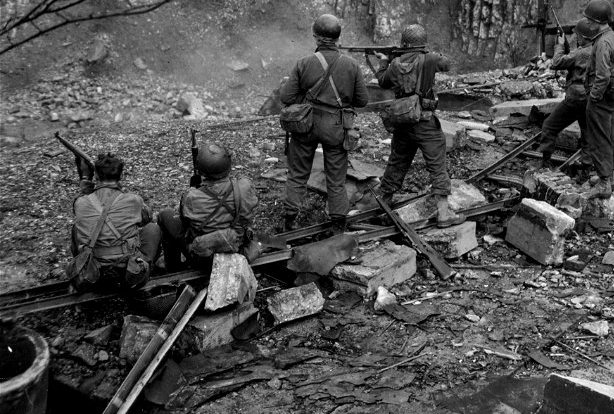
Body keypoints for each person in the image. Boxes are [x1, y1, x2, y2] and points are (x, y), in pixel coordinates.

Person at [276, 14, 369, 231]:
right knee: (336, 179)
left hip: (305, 125)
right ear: (338, 37)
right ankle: (338, 226)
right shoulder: (352, 65)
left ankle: (290, 222)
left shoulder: (304, 63)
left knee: (298, 174)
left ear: (316, 37)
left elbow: (286, 97)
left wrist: (307, 100)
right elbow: (362, 101)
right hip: (336, 127)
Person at [371, 23, 464, 228]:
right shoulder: (429, 59)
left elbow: (383, 82)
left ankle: (383, 204)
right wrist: (430, 55)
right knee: (437, 166)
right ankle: (444, 214)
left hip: (403, 121)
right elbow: (447, 64)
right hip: (425, 122)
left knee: (397, 162)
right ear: (421, 44)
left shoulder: (395, 65)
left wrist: (384, 61)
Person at [68, 152, 161, 292]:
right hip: (128, 273)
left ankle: (81, 270)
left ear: (96, 177)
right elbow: (147, 218)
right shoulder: (133, 200)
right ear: (120, 176)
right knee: (153, 229)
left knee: (76, 228)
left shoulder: (81, 203)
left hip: (94, 275)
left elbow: (82, 206)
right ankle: (147, 269)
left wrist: (85, 180)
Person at [158, 141, 258, 270]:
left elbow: (185, 222)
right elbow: (249, 214)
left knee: (165, 215)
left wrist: (196, 188)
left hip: (204, 257)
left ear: (201, 170)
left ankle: (172, 267)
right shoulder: (244, 186)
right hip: (237, 248)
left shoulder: (191, 196)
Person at [581, 0, 614, 197]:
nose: (588, 23)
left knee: (598, 138)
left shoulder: (602, 42)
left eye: (589, 19)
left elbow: (602, 76)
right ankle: (609, 177)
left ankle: (604, 182)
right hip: (613, 95)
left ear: (596, 21)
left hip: (601, 97)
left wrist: (594, 97)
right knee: (608, 132)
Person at [539, 18, 593, 167]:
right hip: (590, 98)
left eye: (578, 36)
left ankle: (546, 163)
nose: (577, 38)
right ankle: (585, 171)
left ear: (584, 37)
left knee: (549, 126)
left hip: (575, 97)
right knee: (587, 134)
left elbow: (556, 63)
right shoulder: (597, 50)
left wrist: (560, 45)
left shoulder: (579, 53)